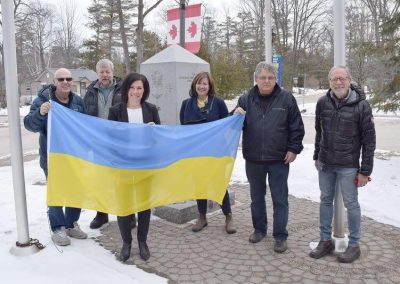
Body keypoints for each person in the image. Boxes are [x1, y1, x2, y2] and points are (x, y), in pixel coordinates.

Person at [234, 62, 304, 253]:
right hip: (254, 159)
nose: (266, 81)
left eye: (270, 78)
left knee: (280, 199)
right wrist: (234, 114)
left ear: (276, 79)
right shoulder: (245, 99)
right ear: (256, 79)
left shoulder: (287, 99)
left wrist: (293, 149)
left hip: (279, 159)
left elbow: (296, 127)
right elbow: (232, 124)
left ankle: (280, 236)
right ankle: (259, 229)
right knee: (256, 198)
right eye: (263, 77)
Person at [309, 66, 376, 263]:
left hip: (348, 165)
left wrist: (365, 171)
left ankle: (354, 245)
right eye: (334, 79)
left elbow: (369, 140)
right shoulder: (322, 102)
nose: (338, 82)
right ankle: (325, 240)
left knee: (351, 204)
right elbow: (318, 131)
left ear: (349, 80)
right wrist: (316, 156)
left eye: (342, 78)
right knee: (325, 201)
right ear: (329, 82)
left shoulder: (362, 106)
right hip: (326, 163)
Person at [24, 68, 88, 246]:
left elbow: (85, 126)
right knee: (57, 190)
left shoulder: (77, 101)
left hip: (74, 156)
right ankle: (58, 227)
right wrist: (40, 113)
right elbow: (29, 125)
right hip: (53, 156)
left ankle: (71, 223)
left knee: (76, 189)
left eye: (69, 78)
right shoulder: (43, 100)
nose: (66, 82)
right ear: (54, 82)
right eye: (61, 79)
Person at [108, 72, 160, 262]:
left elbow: (158, 140)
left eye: (139, 88)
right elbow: (111, 140)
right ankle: (126, 243)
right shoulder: (115, 111)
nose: (135, 92)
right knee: (124, 205)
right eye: (132, 87)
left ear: (144, 90)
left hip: (144, 165)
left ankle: (142, 242)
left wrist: (154, 132)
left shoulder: (151, 109)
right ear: (126, 89)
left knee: (144, 206)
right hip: (123, 165)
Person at [180, 71, 237, 234]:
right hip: (196, 153)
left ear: (209, 86)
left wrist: (236, 114)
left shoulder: (217, 103)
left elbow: (227, 123)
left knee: (219, 183)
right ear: (194, 85)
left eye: (205, 83)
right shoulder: (186, 104)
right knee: (200, 184)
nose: (201, 86)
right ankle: (202, 217)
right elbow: (184, 129)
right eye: (199, 83)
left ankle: (228, 216)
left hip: (216, 152)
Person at [84, 59, 133, 229]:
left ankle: (128, 214)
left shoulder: (124, 89)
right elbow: (84, 117)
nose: (105, 75)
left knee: (123, 179)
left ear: (113, 72)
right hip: (98, 143)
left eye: (107, 72)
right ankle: (101, 214)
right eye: (101, 72)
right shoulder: (90, 92)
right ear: (97, 73)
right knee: (100, 180)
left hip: (119, 142)